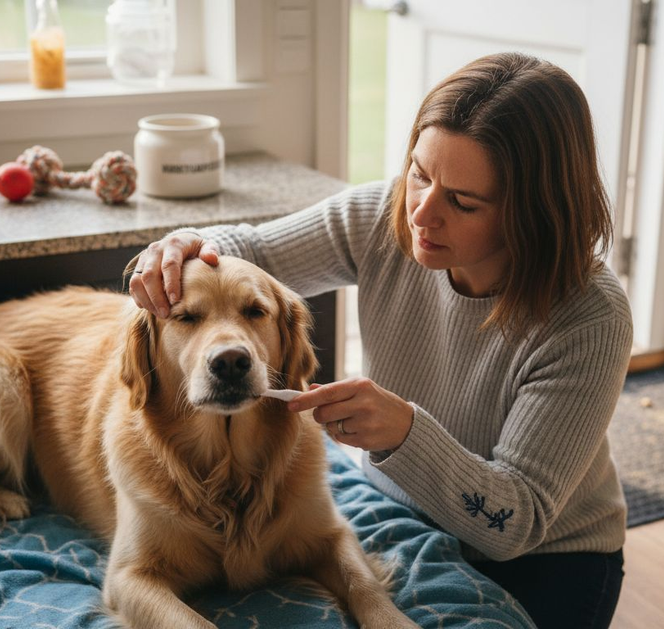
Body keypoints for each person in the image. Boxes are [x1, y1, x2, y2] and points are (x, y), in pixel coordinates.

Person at [128, 52, 632, 629]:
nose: (421, 213)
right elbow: (252, 254)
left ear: (534, 212)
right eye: (419, 173)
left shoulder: (590, 317)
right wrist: (184, 245)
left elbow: (514, 522)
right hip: (400, 510)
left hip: (546, 559)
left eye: (462, 201)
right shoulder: (381, 216)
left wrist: (404, 432)